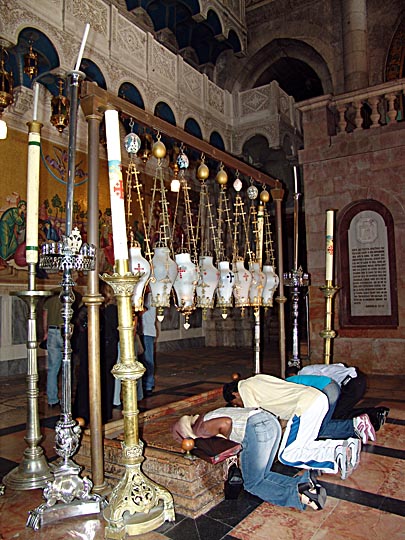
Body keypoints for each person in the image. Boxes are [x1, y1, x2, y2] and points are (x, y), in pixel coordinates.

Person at [172, 408, 327, 511]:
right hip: (271, 424)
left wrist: (222, 443)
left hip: (257, 428)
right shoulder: (212, 412)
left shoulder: (200, 427)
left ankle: (300, 496)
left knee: (253, 483)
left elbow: (225, 423)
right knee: (263, 475)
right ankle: (306, 485)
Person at [223, 374, 361, 479]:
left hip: (305, 406)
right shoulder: (257, 378)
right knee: (305, 445)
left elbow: (256, 418)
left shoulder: (244, 387)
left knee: (287, 455)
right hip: (317, 399)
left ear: (234, 394)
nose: (239, 406)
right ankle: (345, 447)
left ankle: (335, 452)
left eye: (236, 403)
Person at [289, 363, 389, 431]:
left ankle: (372, 417)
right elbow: (340, 365)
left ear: (292, 375)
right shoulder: (311, 368)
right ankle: (376, 413)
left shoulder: (304, 373)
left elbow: (319, 388)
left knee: (336, 415)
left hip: (352, 384)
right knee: (341, 410)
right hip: (356, 380)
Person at [286, 373, 376, 444]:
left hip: (326, 391)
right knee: (321, 425)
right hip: (331, 387)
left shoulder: (284, 387)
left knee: (318, 429)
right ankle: (359, 426)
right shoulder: (285, 382)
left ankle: (356, 426)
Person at [99, 281, 119, 423]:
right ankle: (105, 407)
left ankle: (104, 408)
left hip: (106, 346)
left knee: (105, 377)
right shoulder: (111, 309)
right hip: (109, 346)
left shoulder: (109, 310)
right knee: (107, 378)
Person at [42, 289, 63, 407]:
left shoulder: (49, 301)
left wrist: (45, 333)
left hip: (51, 331)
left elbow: (44, 317)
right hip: (64, 332)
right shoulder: (68, 299)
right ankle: (66, 397)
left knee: (52, 368)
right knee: (66, 367)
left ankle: (52, 399)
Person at [138, 289, 157, 396]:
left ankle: (148, 384)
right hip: (143, 331)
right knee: (144, 359)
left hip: (147, 332)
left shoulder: (150, 297)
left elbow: (142, 310)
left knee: (147, 359)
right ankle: (146, 383)